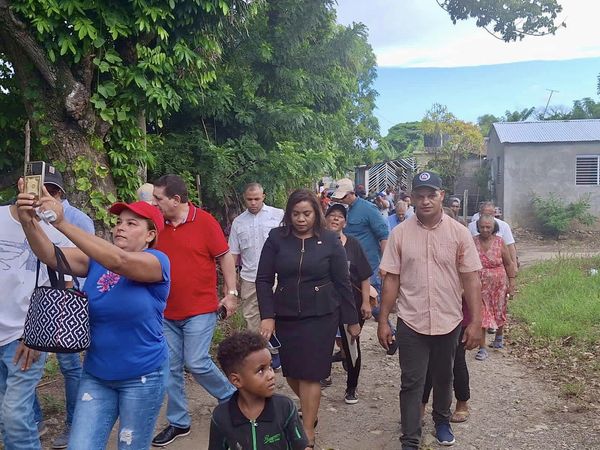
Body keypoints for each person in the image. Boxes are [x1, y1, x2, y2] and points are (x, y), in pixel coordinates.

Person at [17, 183, 171, 450]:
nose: (120, 227)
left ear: (150, 235)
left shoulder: (157, 262)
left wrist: (61, 222)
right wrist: (28, 220)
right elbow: (50, 255)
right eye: (119, 222)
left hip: (143, 377)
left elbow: (120, 261)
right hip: (97, 375)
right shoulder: (96, 261)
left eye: (131, 223)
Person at [377, 171, 483, 449]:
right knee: (411, 381)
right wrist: (383, 320)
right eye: (420, 196)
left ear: (441, 196)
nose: (425, 201)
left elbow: (471, 278)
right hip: (411, 320)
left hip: (449, 320)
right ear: (412, 198)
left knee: (444, 376)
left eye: (431, 195)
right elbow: (391, 279)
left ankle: (442, 421)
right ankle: (410, 437)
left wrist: (476, 322)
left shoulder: (459, 233)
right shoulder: (399, 234)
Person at [256, 189, 360, 447]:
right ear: (288, 215)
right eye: (295, 214)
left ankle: (307, 433)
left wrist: (352, 319)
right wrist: (267, 316)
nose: (301, 219)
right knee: (292, 372)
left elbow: (343, 281)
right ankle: (309, 409)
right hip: (286, 314)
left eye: (306, 214)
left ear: (316, 213)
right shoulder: (276, 238)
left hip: (321, 315)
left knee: (311, 374)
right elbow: (264, 279)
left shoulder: (330, 239)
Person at [151, 174, 238, 447]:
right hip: (166, 312)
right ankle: (179, 421)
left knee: (196, 361)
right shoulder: (156, 225)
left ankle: (232, 398)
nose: (154, 203)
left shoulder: (205, 222)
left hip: (200, 308)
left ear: (176, 200)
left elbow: (225, 256)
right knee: (169, 367)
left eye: (158, 198)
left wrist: (231, 294)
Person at [0, 197, 72, 450]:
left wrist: (36, 336)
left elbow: (63, 288)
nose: (41, 195)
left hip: (24, 338)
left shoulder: (55, 232)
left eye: (50, 191)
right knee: (5, 417)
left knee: (15, 416)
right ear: (22, 184)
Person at [32, 167, 95, 449]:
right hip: (35, 300)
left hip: (64, 302)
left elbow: (86, 260)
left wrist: (70, 300)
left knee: (70, 364)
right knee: (24, 362)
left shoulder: (78, 219)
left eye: (42, 191)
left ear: (56, 192)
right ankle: (34, 420)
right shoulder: (31, 217)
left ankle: (74, 422)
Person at [209, 331, 309, 450]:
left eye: (270, 366)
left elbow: (300, 446)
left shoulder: (285, 407)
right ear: (236, 380)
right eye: (261, 370)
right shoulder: (221, 416)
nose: (271, 375)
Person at [228, 183, 284, 368]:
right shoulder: (238, 222)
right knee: (252, 317)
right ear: (244, 199)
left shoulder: (278, 216)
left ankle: (280, 351)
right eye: (249, 199)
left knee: (279, 313)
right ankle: (261, 354)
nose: (253, 203)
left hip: (277, 276)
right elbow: (233, 253)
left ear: (263, 197)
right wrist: (230, 282)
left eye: (256, 199)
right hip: (250, 277)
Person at [325, 204, 372, 404]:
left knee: (352, 345)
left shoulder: (353, 245)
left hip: (351, 304)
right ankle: (323, 375)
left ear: (345, 222)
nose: (335, 219)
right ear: (325, 219)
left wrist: (366, 302)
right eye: (332, 215)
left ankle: (352, 387)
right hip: (324, 304)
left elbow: (364, 275)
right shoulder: (318, 243)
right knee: (321, 343)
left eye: (340, 216)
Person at [330, 178, 388, 316]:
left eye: (343, 197)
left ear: (351, 193)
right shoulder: (345, 211)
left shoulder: (368, 209)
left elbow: (384, 236)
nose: (340, 200)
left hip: (370, 265)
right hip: (351, 267)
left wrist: (385, 264)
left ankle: (386, 327)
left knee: (373, 304)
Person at [473, 214, 517, 360]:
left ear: (494, 227)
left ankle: (499, 336)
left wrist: (512, 282)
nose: (485, 230)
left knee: (499, 310)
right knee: (481, 313)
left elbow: (508, 263)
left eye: (488, 227)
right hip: (480, 283)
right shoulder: (473, 241)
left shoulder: (499, 242)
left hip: (499, 284)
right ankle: (482, 347)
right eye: (482, 227)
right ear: (478, 227)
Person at [469, 201, 518, 267]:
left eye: (489, 214)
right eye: (484, 214)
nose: (485, 230)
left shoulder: (503, 225)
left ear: (494, 213)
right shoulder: (472, 226)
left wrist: (514, 264)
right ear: (480, 213)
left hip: (498, 265)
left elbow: (510, 245)